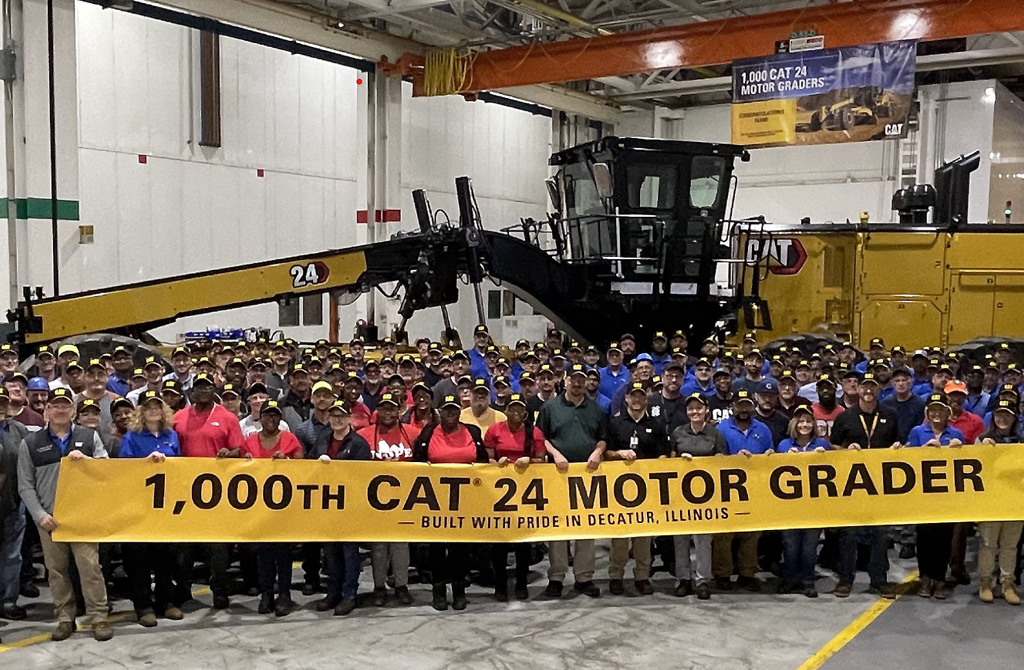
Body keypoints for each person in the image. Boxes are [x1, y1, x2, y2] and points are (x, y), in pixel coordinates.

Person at [17, 387, 113, 641]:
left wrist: (88, 461)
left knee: (90, 568)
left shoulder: (88, 436)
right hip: (50, 520)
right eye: (55, 405)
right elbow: (25, 484)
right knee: (56, 570)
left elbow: (106, 470)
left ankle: (99, 617)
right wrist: (39, 515)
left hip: (83, 517)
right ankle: (64, 617)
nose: (60, 410)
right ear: (47, 410)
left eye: (65, 405)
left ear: (73, 410)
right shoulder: (31, 443)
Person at [536, 365, 608, 599]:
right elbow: (540, 437)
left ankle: (584, 578)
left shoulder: (596, 409)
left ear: (586, 382)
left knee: (585, 527)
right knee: (558, 527)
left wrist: (598, 452)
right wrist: (556, 455)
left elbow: (603, 438)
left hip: (587, 475)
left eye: (581, 379)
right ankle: (556, 577)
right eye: (573, 379)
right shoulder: (550, 407)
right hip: (558, 475)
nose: (577, 383)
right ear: (565, 380)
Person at [173, 374, 244, 609]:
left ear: (214, 390)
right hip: (184, 492)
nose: (203, 390)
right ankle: (182, 589)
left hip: (218, 492)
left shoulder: (228, 417)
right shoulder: (179, 417)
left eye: (207, 386)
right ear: (192, 392)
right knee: (184, 546)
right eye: (198, 386)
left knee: (219, 548)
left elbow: (239, 450)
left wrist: (228, 453)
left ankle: (220, 591)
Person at [413, 395, 488, 611]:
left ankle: (459, 589)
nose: (450, 415)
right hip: (434, 500)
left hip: (465, 500)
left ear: (459, 412)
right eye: (446, 411)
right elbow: (416, 463)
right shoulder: (428, 432)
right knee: (437, 547)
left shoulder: (472, 432)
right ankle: (438, 589)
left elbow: (483, 461)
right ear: (439, 412)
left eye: (454, 411)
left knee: (460, 548)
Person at [829, 372, 900, 599]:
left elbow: (898, 444)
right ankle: (845, 579)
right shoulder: (845, 417)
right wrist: (845, 452)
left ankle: (879, 579)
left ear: (879, 389)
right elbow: (833, 448)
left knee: (880, 534)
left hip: (880, 485)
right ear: (857, 389)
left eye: (873, 386)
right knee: (849, 533)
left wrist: (897, 448)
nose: (868, 391)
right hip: (852, 485)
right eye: (864, 386)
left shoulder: (889, 414)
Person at [118, 391, 186, 627]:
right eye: (148, 407)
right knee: (140, 557)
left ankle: (166, 601)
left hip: (166, 506)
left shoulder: (172, 435)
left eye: (157, 406)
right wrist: (147, 462)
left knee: (166, 556)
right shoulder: (131, 437)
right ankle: (143, 604)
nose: (153, 410)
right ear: (141, 411)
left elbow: (181, 465)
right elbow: (124, 471)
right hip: (140, 506)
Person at [605, 382, 668, 596]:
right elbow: (606, 453)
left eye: (641, 396)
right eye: (634, 396)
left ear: (646, 399)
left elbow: (664, 454)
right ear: (626, 399)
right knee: (620, 536)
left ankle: (642, 576)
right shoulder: (615, 423)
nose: (637, 400)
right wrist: (620, 454)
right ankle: (616, 575)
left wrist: (659, 462)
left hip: (647, 490)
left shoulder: (657, 424)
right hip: (620, 489)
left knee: (643, 538)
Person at [483, 394, 547, 601]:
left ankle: (521, 582)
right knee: (499, 541)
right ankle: (500, 584)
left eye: (520, 410)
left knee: (523, 541)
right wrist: (497, 463)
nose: (516, 413)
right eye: (513, 409)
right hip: (499, 492)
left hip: (525, 490)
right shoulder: (495, 430)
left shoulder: (534, 432)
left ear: (525, 413)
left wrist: (529, 460)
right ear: (506, 411)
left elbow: (541, 459)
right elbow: (487, 459)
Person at [315, 400, 376, 615]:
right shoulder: (323, 438)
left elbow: (362, 476)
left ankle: (349, 594)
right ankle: (333, 592)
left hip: (350, 507)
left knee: (350, 553)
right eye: (334, 416)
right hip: (327, 506)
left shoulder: (358, 444)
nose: (337, 420)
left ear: (349, 418)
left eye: (341, 416)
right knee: (330, 553)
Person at [241, 400, 302, 616]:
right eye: (267, 415)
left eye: (275, 415)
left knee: (283, 552)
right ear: (261, 417)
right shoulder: (249, 441)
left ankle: (284, 594)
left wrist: (287, 461)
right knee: (264, 553)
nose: (271, 419)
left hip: (284, 506)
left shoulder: (289, 439)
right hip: (258, 507)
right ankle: (266, 593)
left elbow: (303, 468)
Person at [357, 393, 417, 605]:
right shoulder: (364, 435)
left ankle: (401, 585)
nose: (388, 413)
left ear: (399, 411)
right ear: (377, 411)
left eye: (392, 409)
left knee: (401, 545)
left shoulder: (412, 433)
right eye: (384, 409)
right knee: (379, 545)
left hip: (405, 499)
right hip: (375, 500)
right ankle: (379, 587)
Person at [905, 393, 965, 600]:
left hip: (946, 496)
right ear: (927, 413)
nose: (936, 413)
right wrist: (922, 450)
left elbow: (965, 464)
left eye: (941, 410)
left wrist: (960, 449)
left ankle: (939, 578)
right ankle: (925, 577)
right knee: (924, 538)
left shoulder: (955, 433)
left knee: (944, 539)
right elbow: (906, 460)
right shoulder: (917, 432)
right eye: (933, 410)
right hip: (923, 494)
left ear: (948, 413)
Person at [712, 390, 773, 591]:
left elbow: (770, 456)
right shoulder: (721, 429)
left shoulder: (763, 429)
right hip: (728, 489)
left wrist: (769, 455)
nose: (744, 410)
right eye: (740, 405)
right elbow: (716, 458)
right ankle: (722, 574)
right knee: (724, 534)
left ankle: (747, 573)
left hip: (755, 489)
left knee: (751, 533)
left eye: (747, 405)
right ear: (732, 406)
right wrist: (734, 458)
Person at [669, 393, 726, 599]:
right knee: (681, 538)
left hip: (706, 496)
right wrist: (679, 461)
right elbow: (669, 461)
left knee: (703, 540)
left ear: (706, 410)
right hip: (680, 495)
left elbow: (721, 460)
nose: (695, 412)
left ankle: (703, 580)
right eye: (691, 408)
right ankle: (683, 579)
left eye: (699, 408)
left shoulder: (715, 434)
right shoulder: (677, 433)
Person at [777, 406, 830, 597]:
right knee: (790, 545)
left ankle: (808, 580)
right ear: (794, 424)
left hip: (814, 506)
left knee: (809, 546)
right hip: (790, 506)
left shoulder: (822, 445)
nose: (805, 425)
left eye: (808, 421)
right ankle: (791, 579)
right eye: (801, 421)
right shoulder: (783, 445)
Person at [976, 400, 1023, 605]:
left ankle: (1007, 583)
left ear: (1014, 418)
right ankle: (986, 582)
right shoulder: (983, 440)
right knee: (988, 544)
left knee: (1010, 546)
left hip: (1015, 502)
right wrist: (982, 451)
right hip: (991, 502)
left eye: (1007, 415)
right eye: (998, 414)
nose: (1002, 418)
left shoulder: (1021, 441)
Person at [0, 388, 28, 621]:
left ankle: (8, 601)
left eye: (3, 402)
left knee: (12, 555)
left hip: (13, 503)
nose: (0, 407)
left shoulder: (18, 430)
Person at [649, 361, 687, 434]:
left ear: (682, 380)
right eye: (669, 376)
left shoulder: (687, 404)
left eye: (678, 376)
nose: (674, 380)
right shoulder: (651, 401)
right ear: (662, 378)